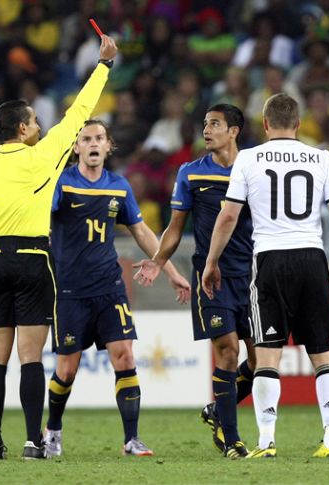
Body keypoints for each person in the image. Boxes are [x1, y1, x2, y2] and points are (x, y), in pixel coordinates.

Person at [0, 35, 118, 460]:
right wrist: (104, 65)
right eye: (35, 123)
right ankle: (32, 440)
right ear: (23, 128)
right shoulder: (43, 156)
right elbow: (79, 114)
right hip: (32, 258)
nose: (42, 128)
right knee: (30, 357)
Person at [200, 93, 329, 459]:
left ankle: (266, 441)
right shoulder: (322, 158)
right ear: (298, 124)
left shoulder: (247, 158)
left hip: (270, 261)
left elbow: (229, 216)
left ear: (265, 125)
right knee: (323, 355)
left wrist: (211, 261)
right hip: (312, 258)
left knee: (266, 357)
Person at [42, 120, 192, 458]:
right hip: (69, 290)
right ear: (76, 147)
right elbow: (40, 221)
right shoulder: (61, 184)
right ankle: (52, 430)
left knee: (124, 355)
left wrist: (170, 270)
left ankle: (131, 439)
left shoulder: (119, 186)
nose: (93, 144)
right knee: (67, 368)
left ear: (108, 146)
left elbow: (141, 232)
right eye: (86, 139)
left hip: (109, 287)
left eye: (99, 139)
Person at [132, 104, 257, 459]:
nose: (207, 129)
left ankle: (219, 409)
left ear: (234, 130)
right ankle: (232, 439)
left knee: (262, 361)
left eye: (215, 124)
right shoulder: (190, 173)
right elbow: (174, 228)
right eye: (205, 124)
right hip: (210, 277)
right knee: (228, 351)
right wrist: (158, 263)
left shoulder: (254, 170)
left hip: (251, 275)